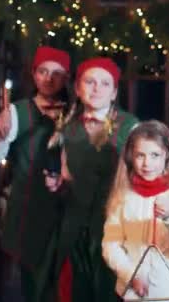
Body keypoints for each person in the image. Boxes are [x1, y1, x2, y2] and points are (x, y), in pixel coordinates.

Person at [0, 46, 71, 302]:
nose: (49, 79)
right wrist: (0, 135)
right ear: (33, 74)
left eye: (57, 73)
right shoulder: (17, 112)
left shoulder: (76, 112)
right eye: (43, 71)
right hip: (28, 214)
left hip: (67, 215)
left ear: (66, 78)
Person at [47, 57, 139, 302]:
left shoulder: (131, 128)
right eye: (90, 82)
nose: (96, 88)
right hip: (75, 230)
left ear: (114, 92)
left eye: (104, 83)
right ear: (77, 88)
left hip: (114, 232)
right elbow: (66, 176)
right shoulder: (67, 128)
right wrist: (58, 185)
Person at [102, 120, 169, 302]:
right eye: (140, 155)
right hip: (130, 294)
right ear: (130, 157)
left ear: (167, 154)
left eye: (155, 155)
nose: (147, 163)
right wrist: (131, 275)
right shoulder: (123, 194)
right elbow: (110, 244)